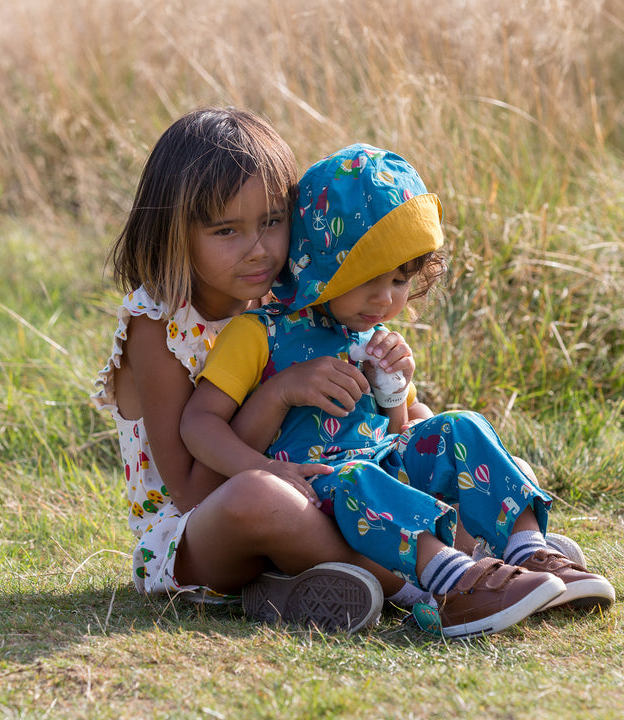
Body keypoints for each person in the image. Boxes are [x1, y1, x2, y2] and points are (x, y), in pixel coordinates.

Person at [181, 143, 616, 639]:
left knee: (462, 425)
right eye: (366, 279)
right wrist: (267, 464)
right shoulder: (260, 334)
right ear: (322, 264)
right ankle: (454, 584)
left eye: (400, 280)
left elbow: (402, 434)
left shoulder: (373, 337)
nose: (384, 298)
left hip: (379, 475)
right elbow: (198, 424)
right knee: (359, 478)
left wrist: (396, 394)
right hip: (320, 486)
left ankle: (532, 553)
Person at [92, 108, 421, 634]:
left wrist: (390, 382)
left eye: (272, 221)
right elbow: (195, 490)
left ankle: (289, 584)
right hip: (202, 535)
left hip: (311, 486)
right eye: (227, 230)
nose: (260, 249)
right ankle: (422, 581)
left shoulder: (279, 302)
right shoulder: (158, 327)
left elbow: (370, 428)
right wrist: (278, 396)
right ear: (175, 232)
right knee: (261, 498)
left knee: (433, 427)